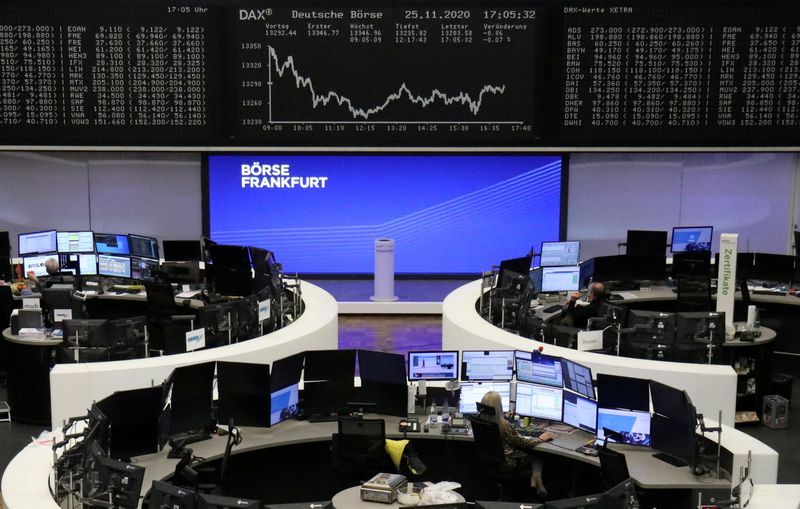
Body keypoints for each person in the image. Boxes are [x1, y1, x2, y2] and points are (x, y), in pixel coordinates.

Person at [478, 391, 557, 498]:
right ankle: (536, 478)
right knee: (537, 458)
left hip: (490, 462)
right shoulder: (505, 425)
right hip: (507, 463)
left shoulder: (478, 421)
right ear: (499, 407)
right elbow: (523, 442)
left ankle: (535, 479)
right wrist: (540, 439)